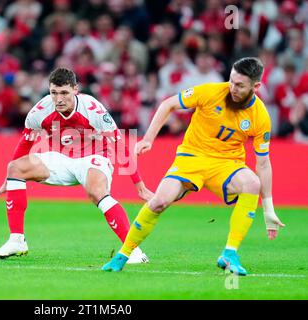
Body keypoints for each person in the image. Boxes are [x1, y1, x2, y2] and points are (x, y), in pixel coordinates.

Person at [102, 57, 285, 275]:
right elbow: (167, 104)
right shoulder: (210, 92)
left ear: (256, 87)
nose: (232, 88)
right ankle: (123, 255)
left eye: (240, 85)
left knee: (252, 184)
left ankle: (230, 253)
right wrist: (148, 138)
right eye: (231, 81)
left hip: (226, 164)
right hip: (191, 158)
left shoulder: (260, 116)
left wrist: (268, 208)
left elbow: (263, 163)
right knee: (159, 201)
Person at [0, 68, 153, 263]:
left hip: (95, 156)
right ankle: (17, 240)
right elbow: (25, 143)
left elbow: (119, 145)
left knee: (96, 192)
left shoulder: (93, 109)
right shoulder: (39, 111)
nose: (58, 99)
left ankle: (133, 250)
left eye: (64, 93)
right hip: (62, 159)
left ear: (75, 89)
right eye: (54, 93)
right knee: (15, 167)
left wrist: (139, 186)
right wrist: (10, 180)